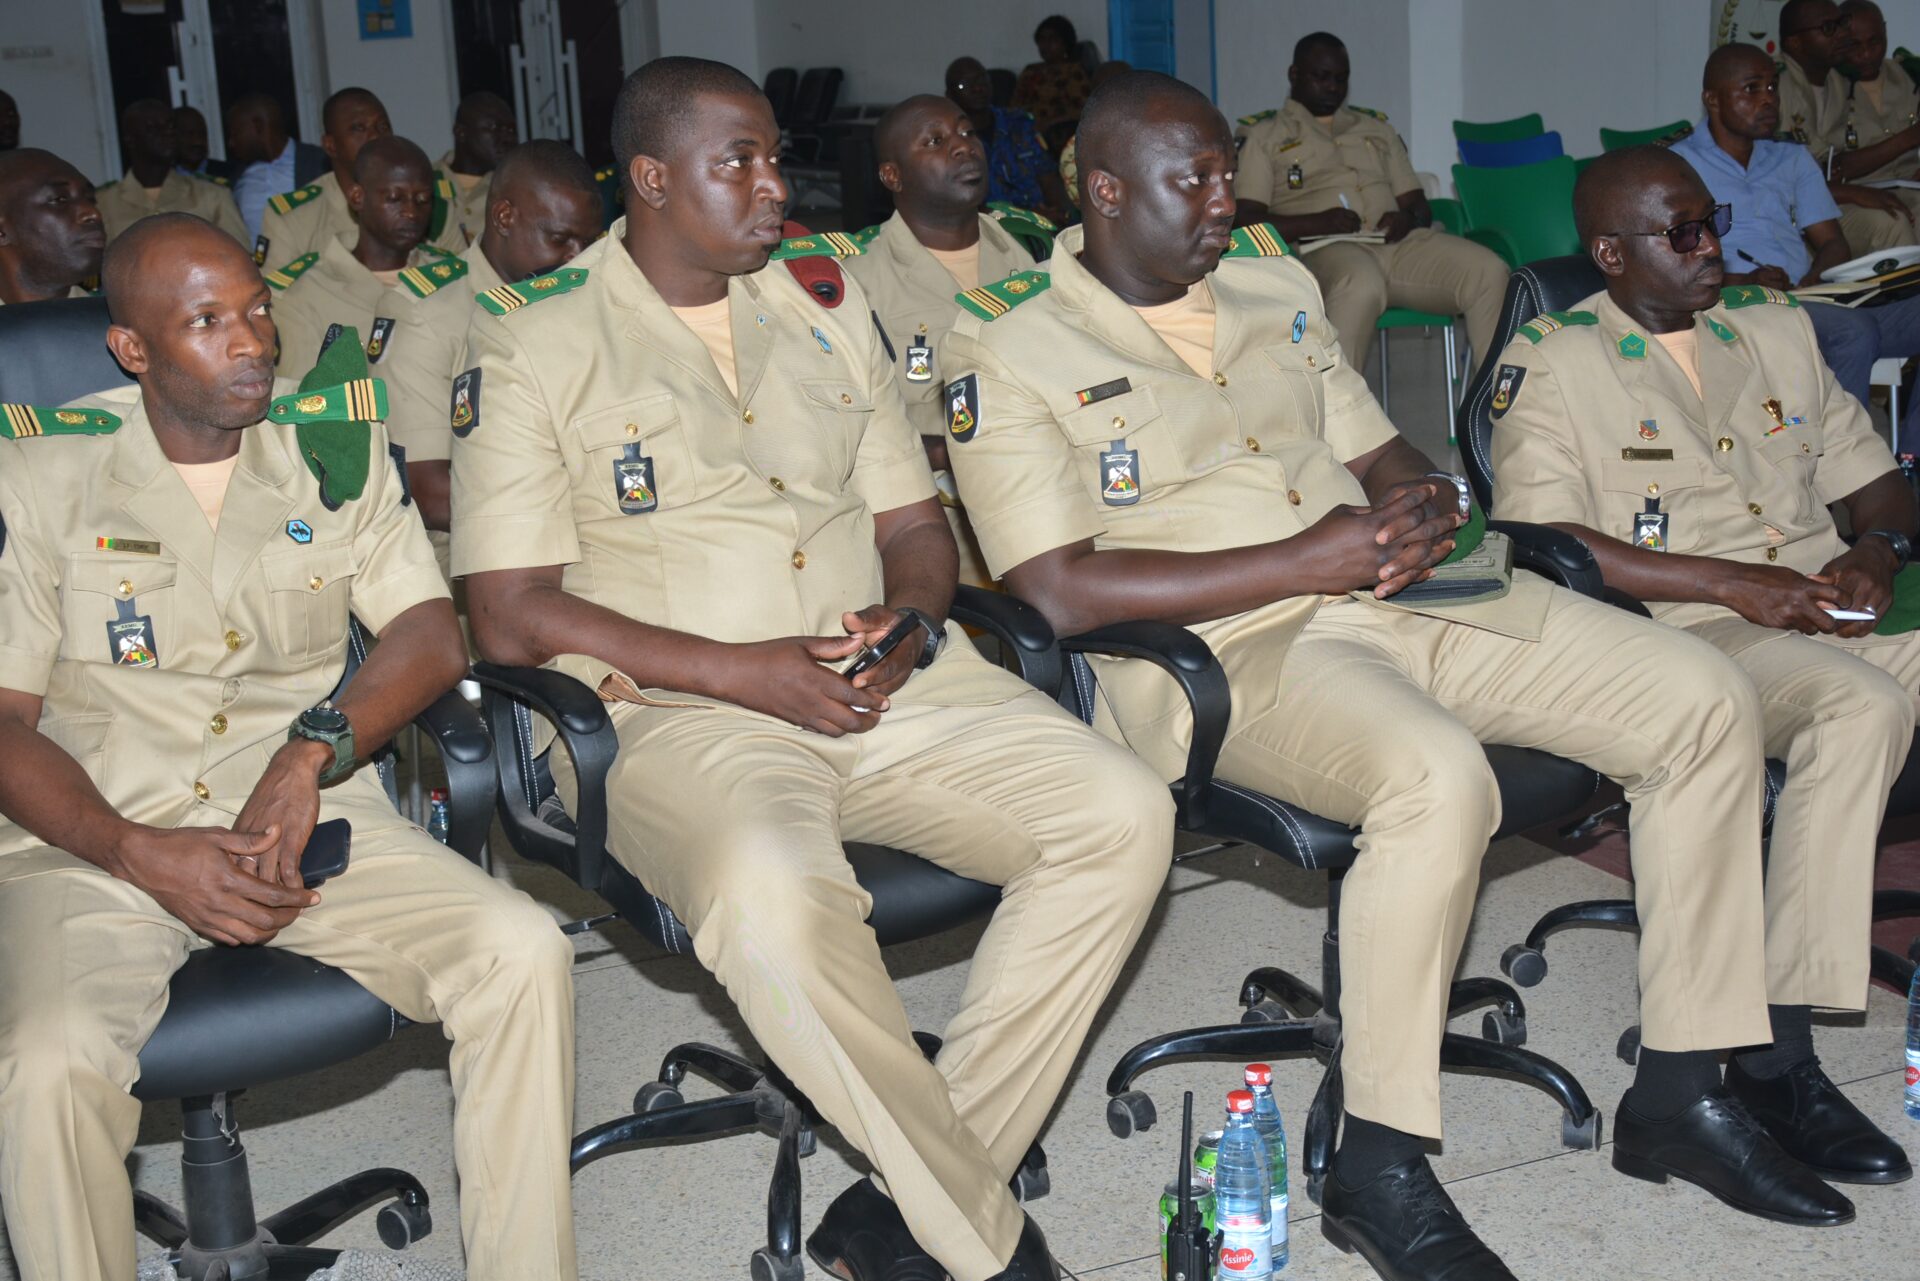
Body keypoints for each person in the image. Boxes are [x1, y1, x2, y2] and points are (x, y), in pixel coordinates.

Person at [947, 69, 1852, 1280]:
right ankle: (1377, 1166)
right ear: (1104, 192)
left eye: (1230, 169)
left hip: (1401, 591)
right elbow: (1050, 589)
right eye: (1197, 180)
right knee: (1437, 775)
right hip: (1224, 649)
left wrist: (1422, 500)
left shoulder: (1272, 283)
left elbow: (1378, 446)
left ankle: (1683, 1095)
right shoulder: (1004, 339)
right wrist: (1304, 554)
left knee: (1701, 698)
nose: (1230, 198)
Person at [451, 55, 1173, 1281]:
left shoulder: (826, 307)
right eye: (740, 161)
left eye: (778, 157)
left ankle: (905, 1209)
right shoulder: (533, 347)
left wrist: (912, 618)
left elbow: (914, 528)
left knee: (1122, 811)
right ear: (650, 179)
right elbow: (511, 615)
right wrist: (744, 672)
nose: (776, 184)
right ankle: (989, 1249)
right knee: (774, 897)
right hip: (677, 717)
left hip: (889, 685)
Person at [0, 212, 578, 1281]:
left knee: (523, 951)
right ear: (134, 351)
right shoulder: (39, 479)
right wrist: (133, 849)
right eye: (209, 322)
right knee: (47, 1062)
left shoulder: (332, 451)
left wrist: (313, 750)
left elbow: (423, 628)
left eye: (258, 310)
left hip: (306, 818)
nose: (255, 341)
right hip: (100, 836)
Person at [1490, 142, 1918, 1198]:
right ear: (1611, 253)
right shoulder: (1555, 360)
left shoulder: (1772, 331)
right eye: (1682, 233)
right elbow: (1543, 536)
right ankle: (1779, 1057)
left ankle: (1769, 1053)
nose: (1711, 248)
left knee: (1861, 691)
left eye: (1712, 222)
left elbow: (1879, 484)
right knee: (1858, 709)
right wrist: (1736, 586)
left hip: (1825, 605)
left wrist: (1877, 552)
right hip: (1688, 627)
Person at [1674, 43, 1920, 453]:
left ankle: (1911, 459)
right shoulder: (1680, 166)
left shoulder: (1790, 159)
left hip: (1806, 297)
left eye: (1772, 87)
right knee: (1853, 332)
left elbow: (1832, 243)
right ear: (1712, 100)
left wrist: (1812, 280)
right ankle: (1838, 468)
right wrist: (1746, 280)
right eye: (1751, 89)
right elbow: (1676, 261)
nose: (1769, 99)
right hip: (1734, 301)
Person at [845, 94, 1043, 586]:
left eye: (967, 133)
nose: (963, 148)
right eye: (936, 141)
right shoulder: (856, 283)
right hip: (931, 520)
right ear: (893, 176)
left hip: (1042, 501)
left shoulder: (1031, 259)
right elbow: (851, 432)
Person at [375, 138, 602, 567]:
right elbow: (428, 490)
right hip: (481, 560)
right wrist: (600, 518)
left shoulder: (591, 296)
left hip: (587, 545)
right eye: (560, 239)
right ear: (503, 217)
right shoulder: (426, 315)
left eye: (589, 244)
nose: (579, 261)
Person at [1232, 32, 1508, 370]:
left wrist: (1407, 218)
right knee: (1361, 283)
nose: (1333, 87)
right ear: (1294, 75)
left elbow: (1418, 205)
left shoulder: (1376, 128)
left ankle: (1497, 408)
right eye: (1321, 77)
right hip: (1323, 249)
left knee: (1489, 271)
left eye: (1341, 78)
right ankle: (1341, 416)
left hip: (1398, 244)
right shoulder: (1264, 135)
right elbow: (1245, 220)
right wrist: (1318, 222)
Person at [267, 136, 446, 373]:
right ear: (357, 198)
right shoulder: (305, 294)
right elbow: (307, 400)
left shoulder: (451, 278)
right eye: (395, 198)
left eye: (422, 199)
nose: (411, 212)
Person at [1775, 0, 1916, 251]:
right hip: (1785, 211)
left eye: (1840, 25)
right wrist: (1853, 193)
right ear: (1795, 42)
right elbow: (1782, 179)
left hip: (1824, 200)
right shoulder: (1775, 87)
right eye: (1830, 28)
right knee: (1891, 222)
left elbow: (1829, 163)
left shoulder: (1835, 82)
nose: (1842, 34)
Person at [257, 87, 393, 268]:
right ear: (331, 146)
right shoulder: (293, 218)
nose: (376, 136)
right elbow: (274, 292)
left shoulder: (421, 202)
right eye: (359, 128)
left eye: (383, 126)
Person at [95, 99, 247, 246]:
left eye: (170, 126)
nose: (167, 133)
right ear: (130, 140)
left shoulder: (213, 197)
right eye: (154, 128)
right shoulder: (103, 204)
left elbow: (243, 260)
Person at [946, 56, 1069, 226]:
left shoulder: (1019, 123)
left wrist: (1061, 213)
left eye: (982, 79)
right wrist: (1028, 217)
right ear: (949, 96)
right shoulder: (950, 143)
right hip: (990, 230)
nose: (977, 88)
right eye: (964, 85)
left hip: (1043, 225)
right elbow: (961, 207)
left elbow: (1048, 177)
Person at [0, 148, 104, 304]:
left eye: (90, 199)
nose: (93, 213)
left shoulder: (121, 322)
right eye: (59, 199)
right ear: (2, 232)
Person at [227, 91, 329, 245]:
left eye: (235, 134)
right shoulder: (235, 179)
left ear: (258, 126)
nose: (231, 143)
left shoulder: (319, 162)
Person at [435, 91, 519, 252]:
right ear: (461, 133)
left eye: (511, 130)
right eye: (494, 128)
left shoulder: (514, 190)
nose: (506, 138)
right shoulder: (424, 180)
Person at [1011, 13, 1091, 150]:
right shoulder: (1030, 70)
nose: (1045, 45)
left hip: (1056, 132)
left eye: (1052, 39)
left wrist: (1049, 123)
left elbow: (1084, 109)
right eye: (1042, 40)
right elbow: (1015, 105)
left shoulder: (1072, 71)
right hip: (1025, 127)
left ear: (1065, 43)